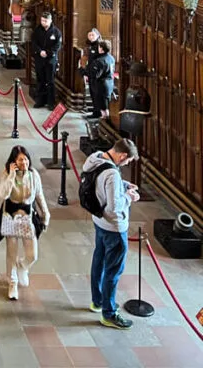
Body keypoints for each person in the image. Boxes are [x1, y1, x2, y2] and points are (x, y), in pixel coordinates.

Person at [84, 138, 139, 330]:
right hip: (114, 228)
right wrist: (129, 197)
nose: (125, 164)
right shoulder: (112, 174)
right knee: (113, 271)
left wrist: (123, 185)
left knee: (98, 261)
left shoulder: (95, 158)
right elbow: (115, 208)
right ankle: (109, 313)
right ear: (123, 155)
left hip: (98, 221)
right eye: (127, 161)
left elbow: (100, 182)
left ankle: (97, 301)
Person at [0, 145, 50, 300]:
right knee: (11, 253)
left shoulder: (33, 175)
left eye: (26, 159)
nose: (24, 162)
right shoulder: (7, 173)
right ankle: (12, 281)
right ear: (13, 161)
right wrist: (12, 176)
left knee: (32, 254)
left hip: (27, 216)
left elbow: (39, 195)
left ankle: (23, 266)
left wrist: (45, 214)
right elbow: (3, 194)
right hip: (11, 216)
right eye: (20, 160)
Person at [31, 9, 62, 109]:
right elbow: (34, 42)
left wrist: (47, 53)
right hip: (40, 58)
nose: (43, 22)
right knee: (40, 80)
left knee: (50, 81)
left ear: (50, 21)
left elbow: (57, 46)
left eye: (45, 21)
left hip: (50, 60)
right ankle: (40, 101)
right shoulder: (37, 30)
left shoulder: (56, 32)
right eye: (42, 20)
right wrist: (40, 51)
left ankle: (50, 102)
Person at [89, 39, 115, 119]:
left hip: (102, 85)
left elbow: (96, 75)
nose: (98, 48)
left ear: (102, 49)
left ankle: (104, 122)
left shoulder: (100, 61)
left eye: (99, 47)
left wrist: (85, 71)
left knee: (103, 108)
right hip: (110, 83)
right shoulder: (111, 58)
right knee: (107, 105)